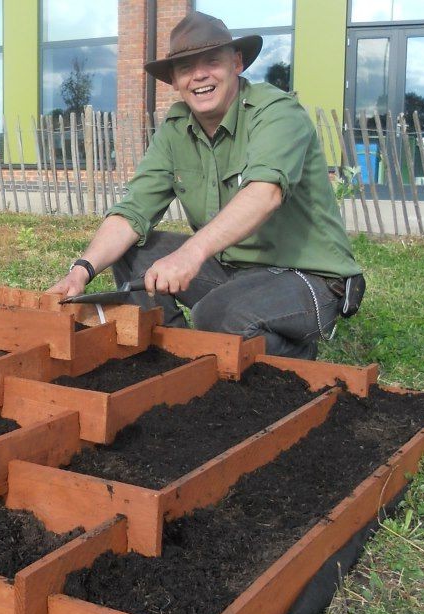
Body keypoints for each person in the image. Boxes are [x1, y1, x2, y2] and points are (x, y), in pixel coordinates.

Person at [48, 11, 362, 359]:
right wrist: (81, 271)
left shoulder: (277, 113)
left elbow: (265, 193)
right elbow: (133, 211)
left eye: (212, 61)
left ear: (236, 62)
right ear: (174, 81)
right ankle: (177, 358)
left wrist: (190, 254)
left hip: (308, 278)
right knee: (130, 251)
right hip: (234, 272)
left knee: (218, 314)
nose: (199, 76)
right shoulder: (175, 129)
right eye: (185, 68)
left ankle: (296, 356)